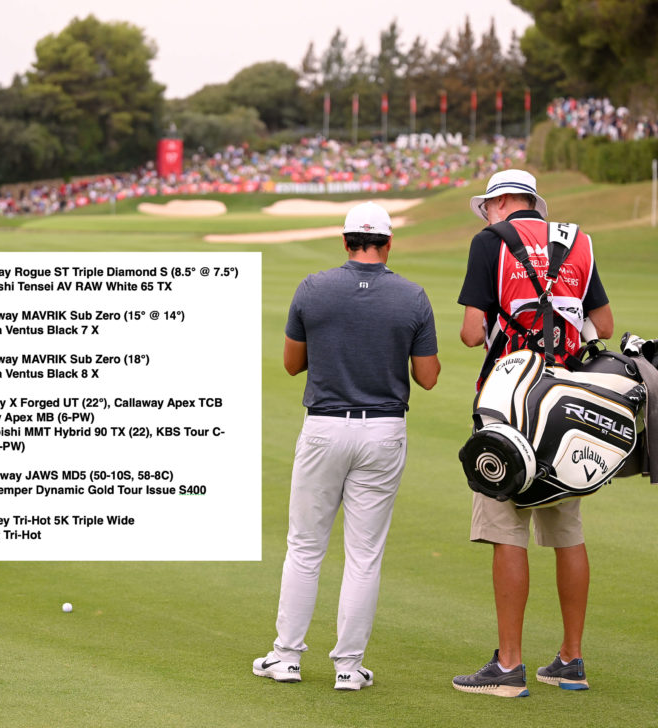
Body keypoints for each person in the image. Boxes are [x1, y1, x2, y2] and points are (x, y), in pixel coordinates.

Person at [253, 201, 440, 691]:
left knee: (305, 547)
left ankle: (287, 657)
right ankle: (348, 668)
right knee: (364, 556)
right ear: (388, 242)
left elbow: (293, 365)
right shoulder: (413, 296)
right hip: (383, 431)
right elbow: (428, 378)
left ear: (345, 241)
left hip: (323, 428)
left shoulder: (314, 288)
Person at [454, 169, 613, 698]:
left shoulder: (489, 242)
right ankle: (571, 659)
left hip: (509, 401)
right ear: (534, 204)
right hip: (567, 402)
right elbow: (604, 325)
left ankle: (509, 666)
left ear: (498, 205)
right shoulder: (579, 241)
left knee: (505, 529)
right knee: (567, 531)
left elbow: (472, 331)